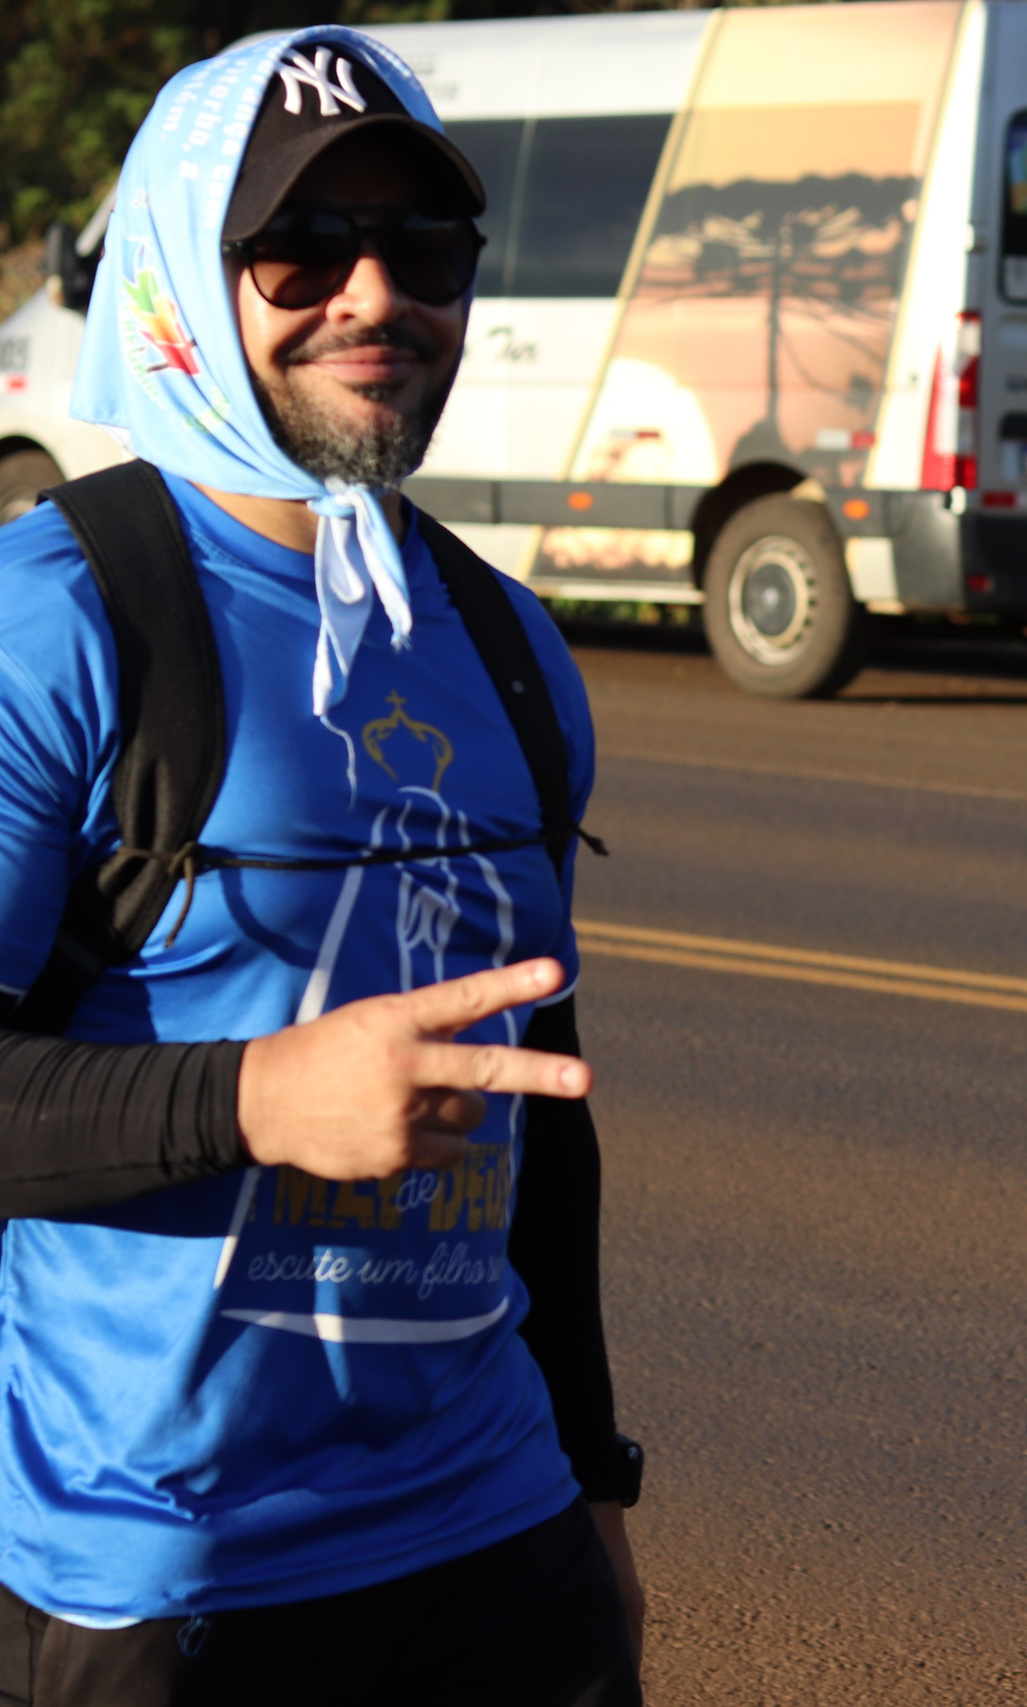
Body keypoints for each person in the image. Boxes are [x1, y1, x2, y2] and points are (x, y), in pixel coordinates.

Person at [0, 29, 642, 1704]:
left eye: (422, 248)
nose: (375, 295)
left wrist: (589, 1484)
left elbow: (537, 1110)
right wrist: (256, 1099)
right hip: (173, 1580)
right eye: (300, 249)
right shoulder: (59, 621)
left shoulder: (505, 645)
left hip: (500, 1552)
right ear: (177, 282)